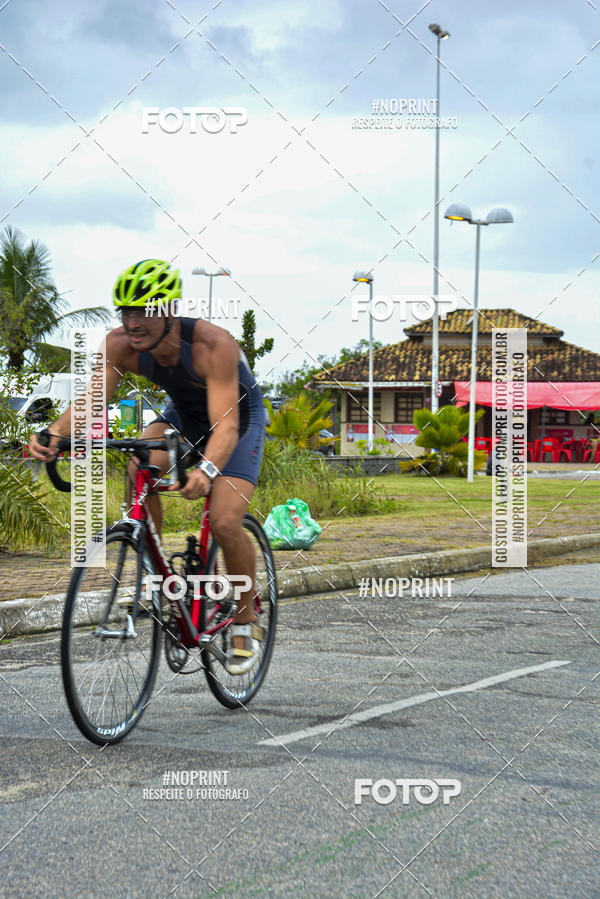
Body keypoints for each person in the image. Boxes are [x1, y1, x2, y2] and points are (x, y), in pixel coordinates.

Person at [28, 259, 265, 675]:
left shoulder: (214, 344)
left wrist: (208, 471)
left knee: (226, 521)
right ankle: (160, 579)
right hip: (186, 418)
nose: (133, 322)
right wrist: (54, 433)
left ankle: (246, 619)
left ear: (169, 311)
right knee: (141, 465)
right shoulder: (120, 344)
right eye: (126, 311)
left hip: (238, 422)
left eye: (145, 310)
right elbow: (92, 400)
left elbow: (226, 425)